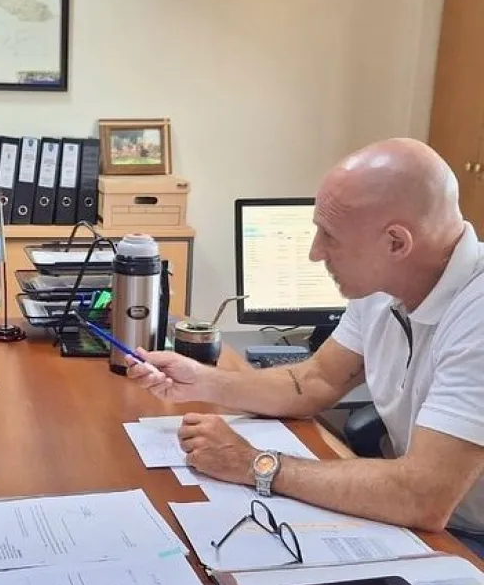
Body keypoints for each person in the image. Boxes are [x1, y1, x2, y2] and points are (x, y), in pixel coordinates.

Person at [129, 138, 484, 555]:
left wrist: (255, 464)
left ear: (396, 243)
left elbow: (423, 497)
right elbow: (317, 380)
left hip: (465, 537)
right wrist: (203, 381)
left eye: (329, 236)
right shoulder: (385, 285)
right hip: (428, 522)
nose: (316, 253)